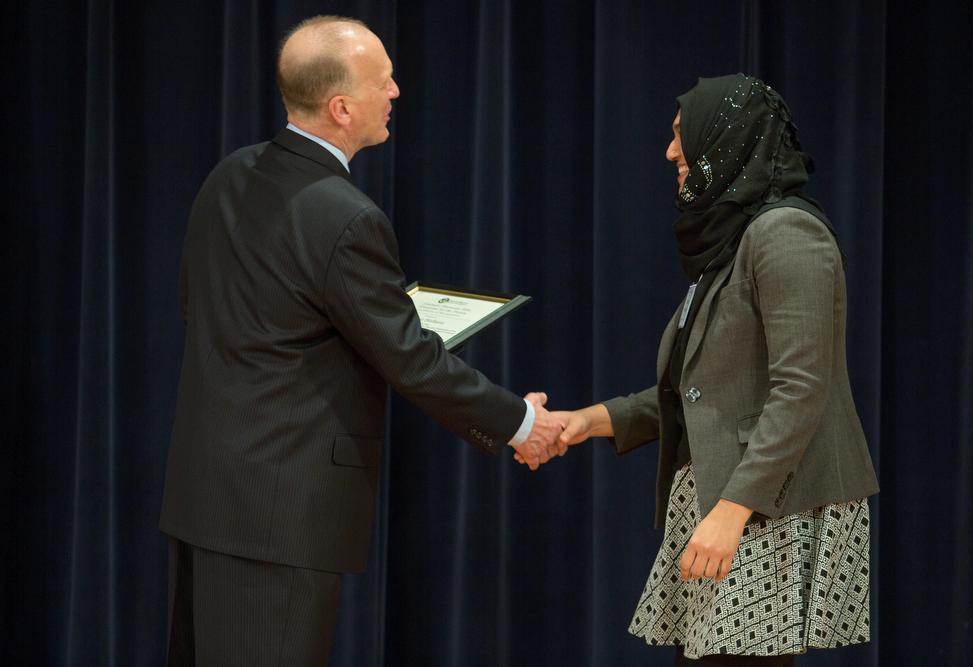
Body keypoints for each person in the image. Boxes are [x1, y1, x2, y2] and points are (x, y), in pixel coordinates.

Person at [159, 15, 564, 665]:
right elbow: (413, 360)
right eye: (384, 81)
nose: (397, 91)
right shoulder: (347, 217)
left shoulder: (228, 175)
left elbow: (202, 309)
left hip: (203, 499)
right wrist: (521, 423)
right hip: (277, 518)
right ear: (341, 108)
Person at [541, 74, 879, 665]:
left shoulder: (787, 232)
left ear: (726, 140)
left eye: (683, 134)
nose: (671, 152)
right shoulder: (734, 239)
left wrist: (733, 509)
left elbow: (802, 388)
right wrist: (589, 421)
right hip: (729, 495)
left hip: (770, 502)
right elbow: (705, 389)